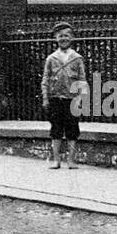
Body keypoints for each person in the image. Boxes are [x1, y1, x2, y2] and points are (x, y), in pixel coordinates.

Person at [40, 21, 85, 169]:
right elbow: (45, 79)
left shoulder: (77, 59)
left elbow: (82, 80)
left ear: (71, 38)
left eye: (66, 35)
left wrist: (80, 99)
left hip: (72, 100)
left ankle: (71, 160)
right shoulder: (51, 59)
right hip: (55, 99)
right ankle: (56, 160)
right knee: (56, 129)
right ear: (56, 38)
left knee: (72, 129)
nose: (63, 39)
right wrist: (45, 98)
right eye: (60, 36)